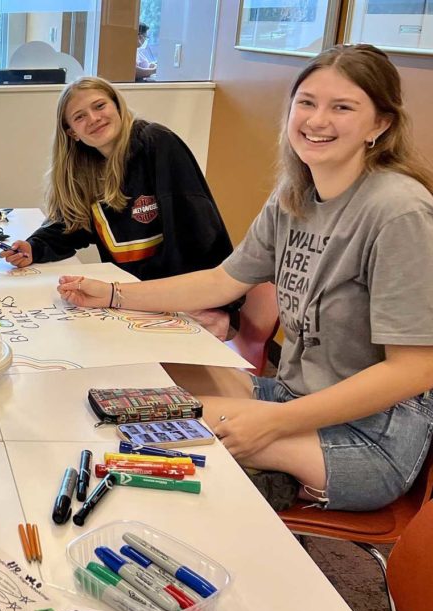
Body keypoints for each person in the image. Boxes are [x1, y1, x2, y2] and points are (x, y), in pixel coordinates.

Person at [57, 44, 433, 512]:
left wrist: (275, 423)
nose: (317, 121)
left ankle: (260, 486)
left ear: (380, 124)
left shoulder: (398, 210)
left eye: (342, 107)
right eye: (307, 103)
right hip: (293, 395)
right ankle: (258, 473)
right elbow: (221, 282)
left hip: (371, 435)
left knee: (138, 427)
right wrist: (114, 293)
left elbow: (416, 369)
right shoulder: (294, 196)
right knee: (129, 387)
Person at [1, 76, 235, 336]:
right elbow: (72, 224)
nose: (93, 118)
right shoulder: (86, 169)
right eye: (79, 117)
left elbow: (196, 231)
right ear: (72, 133)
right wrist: (35, 247)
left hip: (183, 303)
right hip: (132, 303)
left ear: (117, 106)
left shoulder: (156, 143)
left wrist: (205, 301)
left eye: (100, 106)